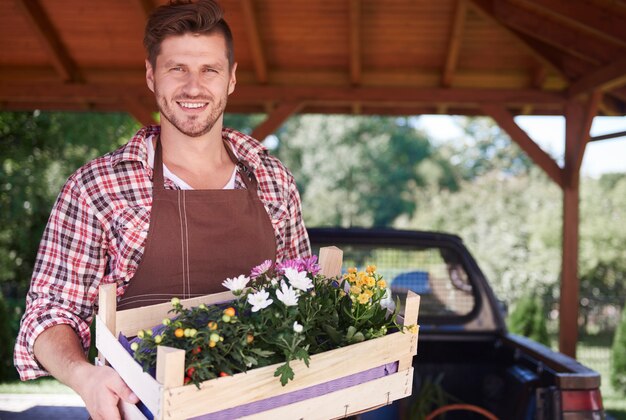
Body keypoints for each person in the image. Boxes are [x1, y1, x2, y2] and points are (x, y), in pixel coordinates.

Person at [13, 1, 310, 418]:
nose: (194, 86)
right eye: (177, 69)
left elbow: (301, 299)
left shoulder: (273, 181)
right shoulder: (99, 187)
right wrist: (85, 377)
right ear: (152, 76)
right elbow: (48, 313)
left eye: (209, 70)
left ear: (231, 79)